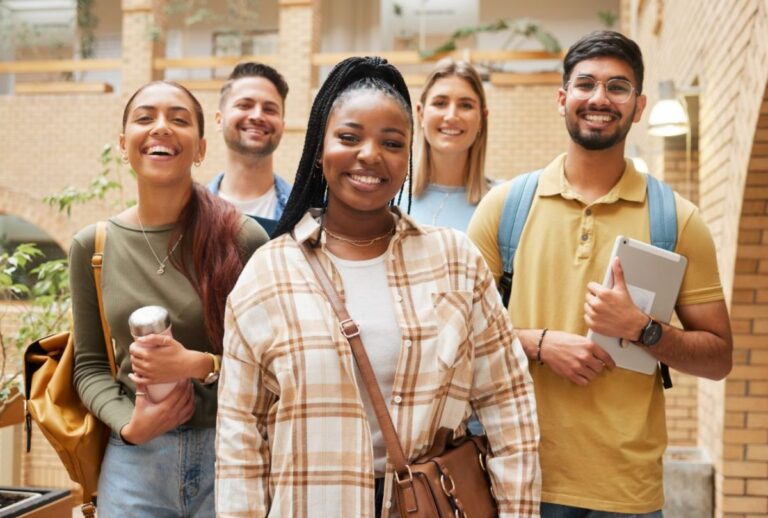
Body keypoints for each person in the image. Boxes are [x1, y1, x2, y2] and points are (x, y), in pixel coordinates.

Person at [216, 56, 540, 517]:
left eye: (391, 142)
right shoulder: (269, 273)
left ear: (408, 155)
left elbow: (509, 406)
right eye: (349, 137)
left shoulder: (455, 261)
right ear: (319, 147)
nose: (370, 155)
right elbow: (239, 437)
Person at [467, 31, 733, 517]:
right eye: (586, 84)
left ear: (639, 105)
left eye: (618, 87)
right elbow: (454, 335)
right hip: (519, 475)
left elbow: (718, 358)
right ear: (562, 97)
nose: (599, 99)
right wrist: (539, 343)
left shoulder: (677, 219)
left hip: (626, 491)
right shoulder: (505, 208)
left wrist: (642, 328)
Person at [71, 81, 268, 516]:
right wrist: (130, 425)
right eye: (145, 118)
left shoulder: (243, 238)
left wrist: (200, 365)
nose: (161, 128)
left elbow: (274, 363)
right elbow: (88, 367)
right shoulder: (93, 247)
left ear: (199, 148)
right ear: (124, 145)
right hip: (134, 463)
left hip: (231, 454)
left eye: (178, 120)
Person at [209, 62, 292, 235]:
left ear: (282, 126)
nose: (257, 116)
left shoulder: (306, 215)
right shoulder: (188, 214)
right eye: (244, 105)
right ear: (219, 120)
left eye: (270, 109)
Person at [407, 58, 491, 232]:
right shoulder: (389, 199)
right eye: (440, 103)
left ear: (482, 118)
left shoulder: (504, 203)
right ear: (421, 114)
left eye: (465, 105)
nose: (452, 116)